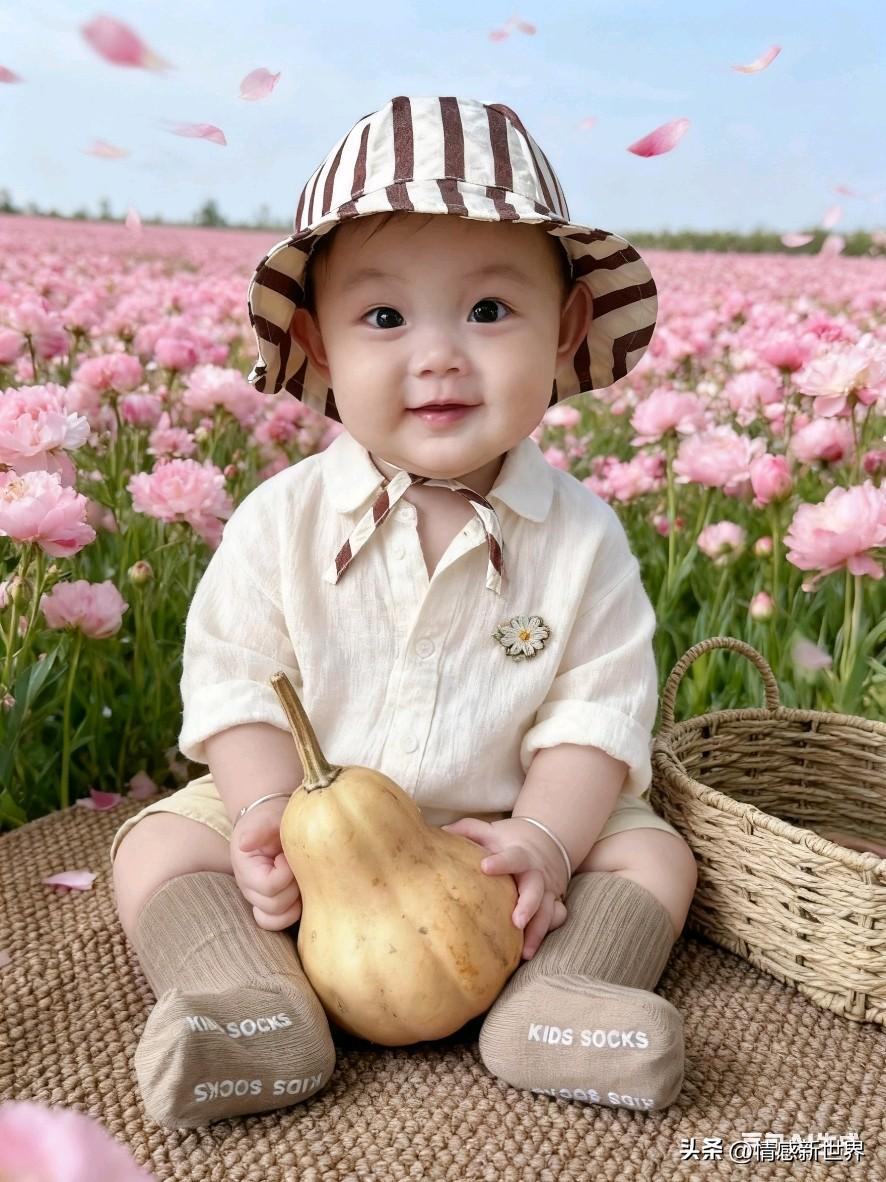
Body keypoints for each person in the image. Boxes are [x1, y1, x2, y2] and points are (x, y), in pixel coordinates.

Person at [110, 94, 698, 1130]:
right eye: (384, 318)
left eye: (487, 312)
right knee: (158, 847)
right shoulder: (280, 522)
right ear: (321, 343)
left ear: (564, 333)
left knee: (652, 854)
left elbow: (596, 714)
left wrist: (549, 845)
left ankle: (565, 997)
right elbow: (235, 680)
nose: (437, 355)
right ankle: (255, 1003)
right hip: (310, 840)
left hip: (501, 835)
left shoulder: (581, 537)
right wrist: (260, 818)